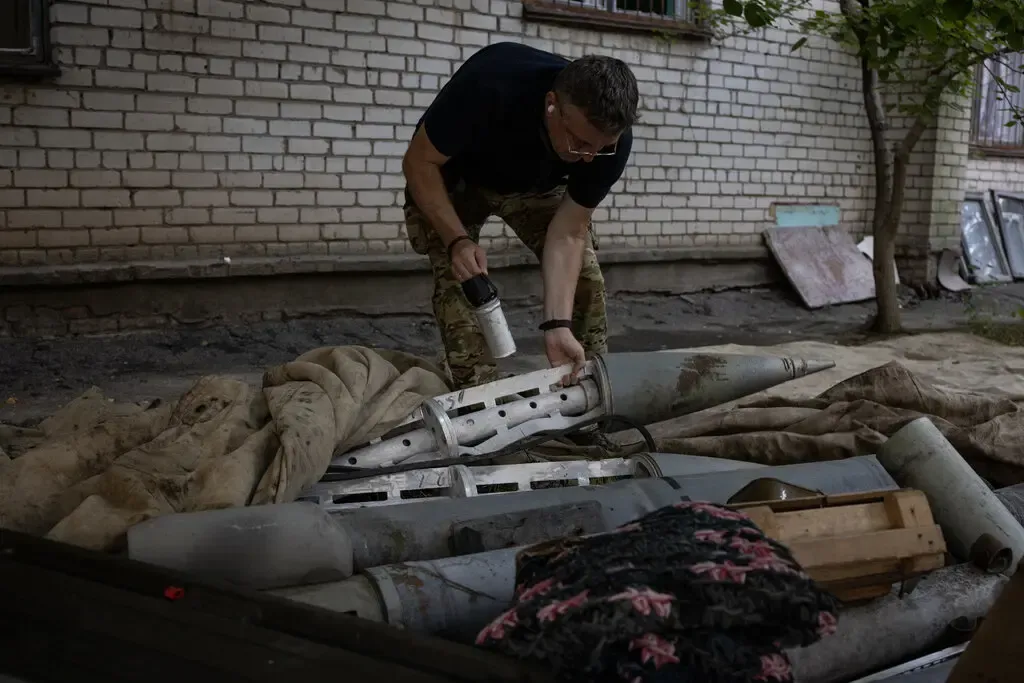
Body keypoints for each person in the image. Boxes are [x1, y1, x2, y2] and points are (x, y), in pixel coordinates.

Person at [402, 41, 639, 389]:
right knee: (462, 281)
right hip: (453, 180)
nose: (589, 157)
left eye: (601, 148)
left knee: (585, 277)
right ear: (551, 106)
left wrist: (557, 324)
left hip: (535, 186)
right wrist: (457, 240)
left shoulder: (607, 144)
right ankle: (478, 399)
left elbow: (568, 233)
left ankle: (588, 389)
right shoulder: (490, 84)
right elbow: (418, 162)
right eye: (579, 143)